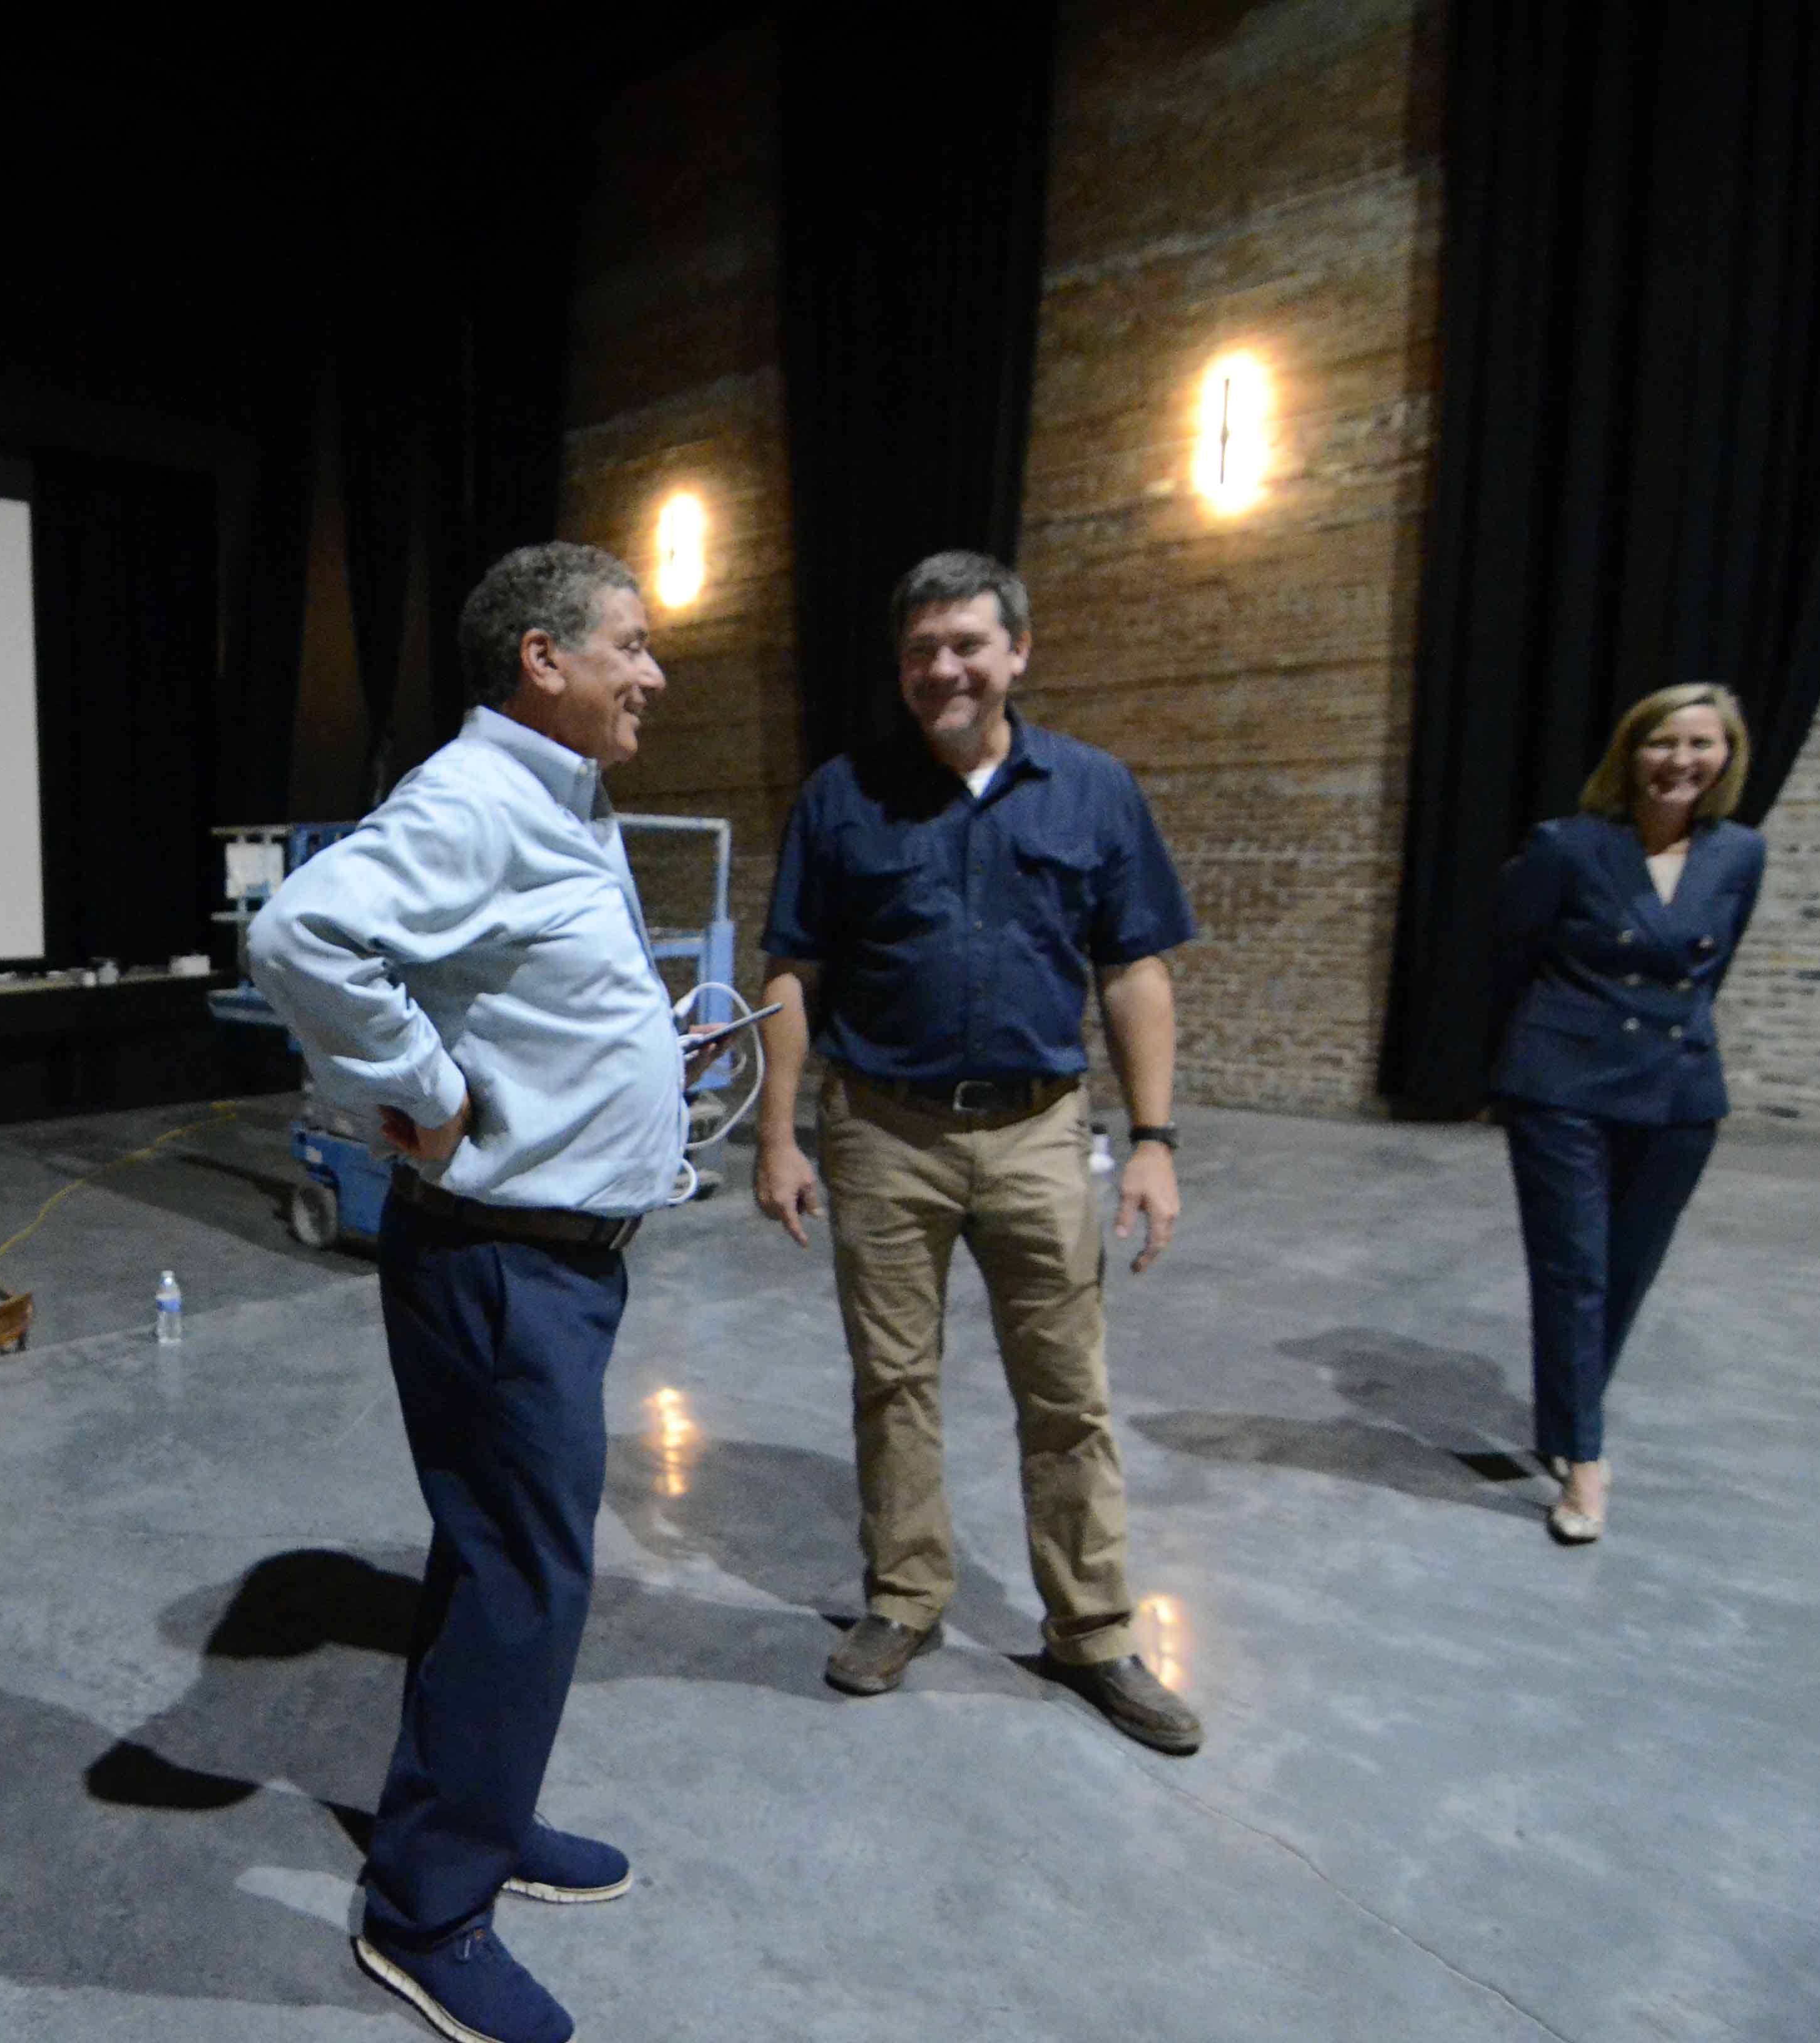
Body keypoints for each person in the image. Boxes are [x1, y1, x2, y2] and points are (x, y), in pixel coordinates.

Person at [246, 541, 691, 2043]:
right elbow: (301, 932)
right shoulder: (479, 797)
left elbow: (517, 981)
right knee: (525, 1580)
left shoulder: (560, 793)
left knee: (492, 1563)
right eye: (627, 645)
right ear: (540, 661)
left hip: (549, 1263)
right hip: (503, 1265)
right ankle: (428, 1911)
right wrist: (423, 1093)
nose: (653, 673)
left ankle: (475, 1823)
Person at [750, 549, 1205, 1756]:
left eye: (965, 645)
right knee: (892, 1382)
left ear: (1017, 653)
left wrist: (1155, 1140)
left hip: (1040, 1131)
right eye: (919, 651)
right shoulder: (842, 799)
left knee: (1068, 1393)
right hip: (882, 1133)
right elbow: (794, 970)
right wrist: (778, 1132)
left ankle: (1092, 1630)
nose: (942, 669)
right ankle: (903, 1599)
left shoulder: (1094, 791)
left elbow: (1135, 969)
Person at [1489, 683, 1764, 1545]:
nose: (1681, 762)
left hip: (1680, 1093)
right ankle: (1585, 1459)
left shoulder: (1740, 853)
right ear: (1630, 752)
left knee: (1627, 1272)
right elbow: (1515, 947)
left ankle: (1565, 1423)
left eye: (1702, 745)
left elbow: (1710, 968)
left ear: (1726, 758)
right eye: (1663, 743)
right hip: (1564, 1082)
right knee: (1575, 1270)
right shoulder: (1567, 846)